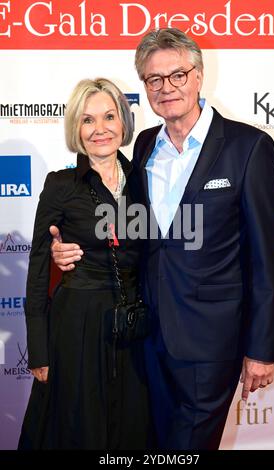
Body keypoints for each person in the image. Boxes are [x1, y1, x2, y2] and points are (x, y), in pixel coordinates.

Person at [50, 28, 274, 450]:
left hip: (210, 343)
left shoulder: (248, 147)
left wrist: (262, 348)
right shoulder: (142, 147)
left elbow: (267, 257)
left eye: (177, 75)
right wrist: (67, 246)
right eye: (154, 80)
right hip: (143, 339)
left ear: (198, 76)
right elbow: (126, 227)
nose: (166, 88)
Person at [18, 78, 150, 450]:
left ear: (123, 122)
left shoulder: (146, 180)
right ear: (76, 128)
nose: (100, 129)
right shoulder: (61, 185)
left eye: (109, 116)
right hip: (76, 326)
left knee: (131, 429)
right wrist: (38, 349)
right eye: (87, 120)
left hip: (134, 328)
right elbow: (39, 270)